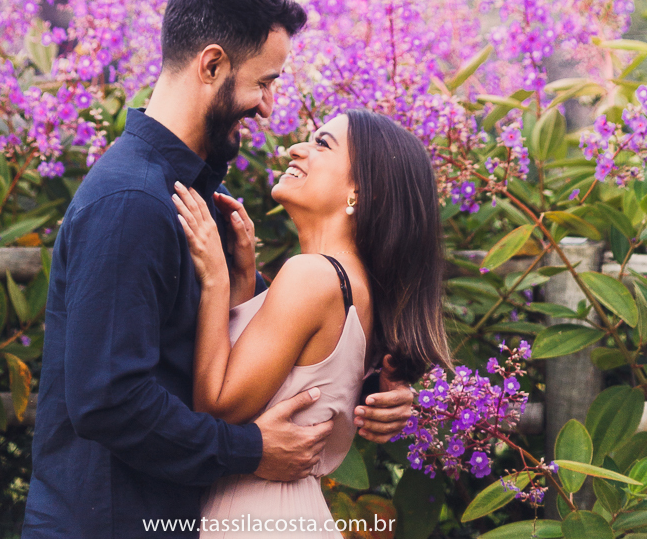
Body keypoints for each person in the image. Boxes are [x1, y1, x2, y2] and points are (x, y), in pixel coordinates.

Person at [23, 0, 415, 539]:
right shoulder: (132, 202)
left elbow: (275, 348)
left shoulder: (198, 204)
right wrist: (249, 450)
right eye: (264, 82)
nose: (268, 108)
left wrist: (373, 388)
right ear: (212, 65)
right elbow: (109, 401)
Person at [173, 108, 450, 531]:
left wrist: (215, 279)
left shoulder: (313, 276)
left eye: (322, 144)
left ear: (361, 192)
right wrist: (244, 279)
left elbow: (217, 411)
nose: (295, 148)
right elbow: (277, 380)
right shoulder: (357, 290)